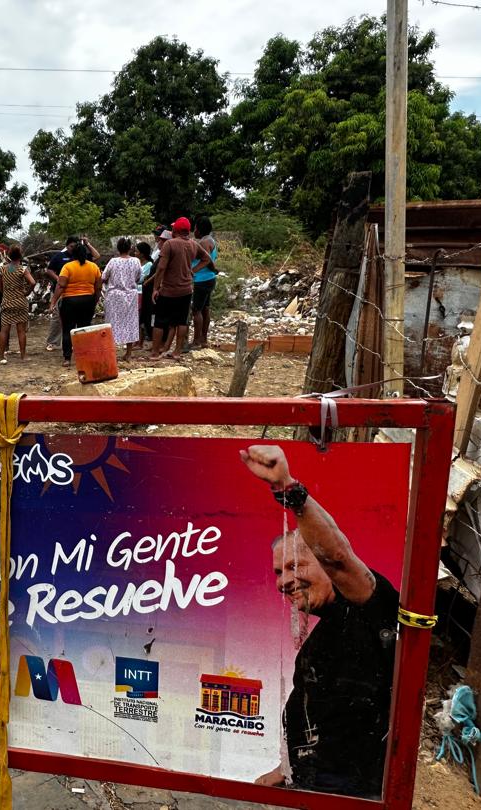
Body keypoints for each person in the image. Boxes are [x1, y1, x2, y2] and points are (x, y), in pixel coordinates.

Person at [241, 444, 399, 799]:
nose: (284, 580)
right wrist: (287, 769)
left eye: (297, 566)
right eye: (279, 572)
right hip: (309, 787)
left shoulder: (371, 608)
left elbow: (338, 555)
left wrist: (290, 492)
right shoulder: (321, 638)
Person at [151, 218, 210, 360]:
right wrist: (193, 270)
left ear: (175, 230)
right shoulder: (193, 244)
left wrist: (155, 288)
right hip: (186, 290)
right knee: (181, 321)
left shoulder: (170, 244)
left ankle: (154, 353)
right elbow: (206, 259)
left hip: (168, 290)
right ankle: (177, 351)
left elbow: (161, 268)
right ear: (188, 231)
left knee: (160, 321)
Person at [50, 241, 102, 367]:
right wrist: (95, 300)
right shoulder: (93, 267)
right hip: (87, 301)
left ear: (73, 254)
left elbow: (61, 285)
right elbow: (98, 287)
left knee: (68, 329)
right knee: (84, 328)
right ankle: (84, 356)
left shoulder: (68, 267)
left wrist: (53, 302)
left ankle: (67, 358)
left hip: (70, 301)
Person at [102, 237, 142, 361]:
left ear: (118, 248)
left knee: (112, 323)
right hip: (130, 295)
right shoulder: (136, 261)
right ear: (130, 248)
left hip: (114, 296)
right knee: (130, 323)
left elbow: (104, 276)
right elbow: (139, 278)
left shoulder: (113, 261)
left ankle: (111, 353)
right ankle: (128, 353)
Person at [0, 246, 36, 364]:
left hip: (7, 302)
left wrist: (7, 294)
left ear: (9, 256)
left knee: (4, 331)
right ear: (20, 256)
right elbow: (33, 282)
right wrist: (27, 292)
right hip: (20, 302)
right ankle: (23, 356)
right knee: (21, 331)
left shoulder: (3, 269)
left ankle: (2, 356)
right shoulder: (22, 269)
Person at [189, 216, 219, 350]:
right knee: (205, 309)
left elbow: (207, 260)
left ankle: (196, 341)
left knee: (197, 310)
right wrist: (214, 270)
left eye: (195, 228)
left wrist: (192, 271)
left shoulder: (204, 242)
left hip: (202, 279)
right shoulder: (210, 240)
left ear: (199, 230)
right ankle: (203, 339)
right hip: (209, 278)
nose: (193, 230)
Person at [135, 241, 156, 351]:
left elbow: (140, 279)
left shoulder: (148, 265)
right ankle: (138, 341)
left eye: (137, 251)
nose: (135, 253)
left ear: (142, 254)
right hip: (137, 292)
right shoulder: (137, 263)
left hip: (143, 293)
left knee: (143, 316)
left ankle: (141, 341)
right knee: (138, 317)